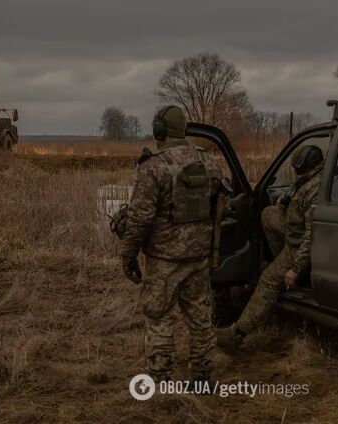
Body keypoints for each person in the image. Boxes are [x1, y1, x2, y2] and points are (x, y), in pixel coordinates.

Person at [121, 105, 222, 382]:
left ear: (159, 130)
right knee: (200, 319)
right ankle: (202, 378)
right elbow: (216, 207)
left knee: (159, 317)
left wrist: (127, 255)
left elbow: (140, 219)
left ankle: (162, 380)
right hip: (198, 256)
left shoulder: (153, 167)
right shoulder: (210, 163)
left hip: (164, 259)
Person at [217, 145, 324, 350]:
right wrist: (284, 202)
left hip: (300, 247)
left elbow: (312, 237)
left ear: (302, 165)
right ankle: (281, 261)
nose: (293, 170)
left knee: (267, 280)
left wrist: (296, 268)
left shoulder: (314, 191)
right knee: (268, 214)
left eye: (295, 167)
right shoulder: (310, 180)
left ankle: (236, 334)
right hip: (295, 235)